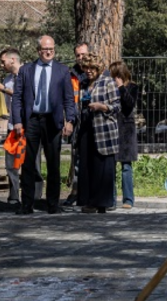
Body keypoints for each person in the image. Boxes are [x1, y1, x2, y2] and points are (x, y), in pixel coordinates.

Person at [11, 35, 76, 214]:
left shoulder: (62, 71)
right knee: (29, 163)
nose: (48, 52)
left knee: (53, 163)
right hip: (32, 120)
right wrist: (17, 120)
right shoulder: (26, 70)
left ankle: (53, 204)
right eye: (45, 49)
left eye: (52, 49)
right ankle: (27, 204)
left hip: (52, 121)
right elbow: (17, 97)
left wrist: (69, 120)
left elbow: (69, 99)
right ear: (38, 50)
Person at [75, 53, 120, 214]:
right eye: (85, 68)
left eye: (91, 68)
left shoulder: (108, 82)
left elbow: (117, 106)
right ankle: (89, 201)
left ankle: (103, 202)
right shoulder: (83, 84)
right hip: (86, 128)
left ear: (98, 68)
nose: (88, 71)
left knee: (102, 166)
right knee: (87, 165)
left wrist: (102, 107)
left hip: (104, 129)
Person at [0, 47, 23, 206]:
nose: (1, 65)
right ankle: (14, 196)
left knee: (31, 163)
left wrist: (5, 90)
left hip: (28, 125)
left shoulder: (27, 74)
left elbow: (25, 97)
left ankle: (34, 198)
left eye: (3, 62)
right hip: (12, 125)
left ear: (13, 60)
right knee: (11, 164)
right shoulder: (7, 80)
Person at [63, 42, 90, 208]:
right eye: (78, 55)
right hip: (77, 121)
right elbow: (68, 100)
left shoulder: (97, 73)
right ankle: (75, 191)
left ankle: (89, 193)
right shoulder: (70, 74)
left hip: (92, 121)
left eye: (83, 55)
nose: (81, 58)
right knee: (77, 159)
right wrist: (69, 120)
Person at [109, 60, 139, 209]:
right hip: (112, 128)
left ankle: (128, 199)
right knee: (111, 165)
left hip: (126, 130)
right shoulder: (109, 87)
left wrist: (121, 87)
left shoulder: (132, 87)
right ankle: (111, 199)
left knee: (126, 166)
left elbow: (128, 105)